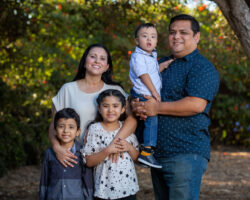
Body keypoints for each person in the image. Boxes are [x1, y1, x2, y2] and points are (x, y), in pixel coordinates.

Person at [132, 14, 220, 200]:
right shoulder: (158, 63)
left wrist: (155, 108)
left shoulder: (201, 67)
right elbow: (141, 91)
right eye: (172, 32)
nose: (176, 36)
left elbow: (195, 104)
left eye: (183, 32)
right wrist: (137, 104)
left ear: (196, 37)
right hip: (156, 154)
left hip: (185, 152)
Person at [49, 44, 137, 168]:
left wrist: (113, 145)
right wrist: (57, 148)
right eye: (93, 56)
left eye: (102, 58)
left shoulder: (115, 90)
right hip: (74, 158)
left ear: (107, 67)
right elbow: (53, 125)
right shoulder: (68, 89)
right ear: (85, 62)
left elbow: (132, 119)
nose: (97, 61)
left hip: (108, 161)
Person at [129, 23, 173, 168]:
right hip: (145, 94)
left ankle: (140, 145)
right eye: (145, 36)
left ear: (156, 41)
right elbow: (144, 75)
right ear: (137, 41)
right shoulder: (137, 56)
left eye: (153, 37)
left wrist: (163, 65)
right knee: (152, 120)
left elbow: (153, 72)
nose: (149, 39)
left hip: (146, 93)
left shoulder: (150, 56)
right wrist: (154, 93)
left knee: (145, 121)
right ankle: (147, 152)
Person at [84, 89, 139, 200]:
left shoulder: (126, 129)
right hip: (104, 190)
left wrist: (129, 147)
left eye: (115, 106)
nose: (110, 110)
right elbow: (89, 162)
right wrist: (107, 150)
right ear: (99, 108)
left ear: (123, 109)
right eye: (105, 106)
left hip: (128, 188)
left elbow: (137, 158)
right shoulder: (94, 129)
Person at [39, 108, 93, 200]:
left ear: (77, 132)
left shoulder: (82, 153)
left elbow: (87, 182)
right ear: (55, 130)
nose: (65, 131)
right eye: (61, 126)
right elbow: (44, 181)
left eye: (71, 127)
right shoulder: (49, 153)